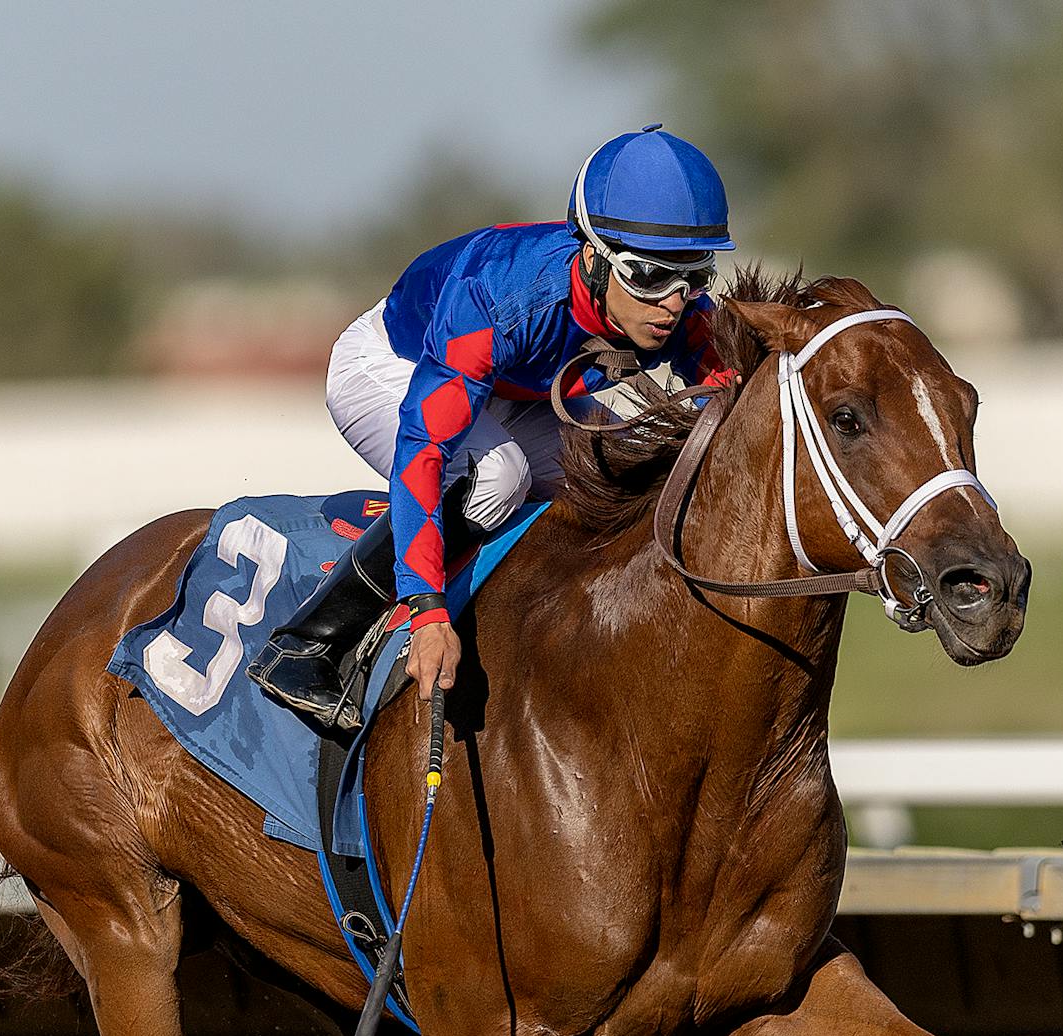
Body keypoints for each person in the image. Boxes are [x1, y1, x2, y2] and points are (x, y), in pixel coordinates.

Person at [249, 125, 739, 732]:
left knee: (633, 462)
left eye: (693, 276)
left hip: (510, 389)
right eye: (648, 276)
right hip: (391, 366)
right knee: (499, 475)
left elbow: (732, 405)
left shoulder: (678, 308)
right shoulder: (499, 298)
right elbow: (425, 448)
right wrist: (427, 610)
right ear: (591, 257)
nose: (672, 302)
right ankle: (308, 643)